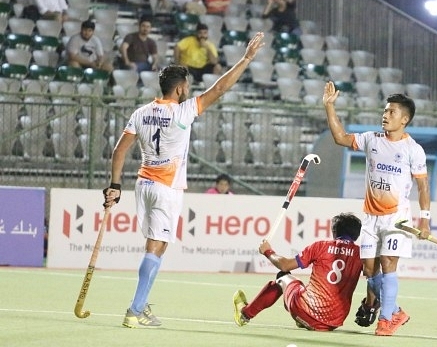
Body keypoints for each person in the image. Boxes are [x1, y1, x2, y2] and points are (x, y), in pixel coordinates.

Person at [102, 31, 265, 328]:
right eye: (187, 86)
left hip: (143, 184)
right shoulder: (182, 111)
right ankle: (134, 310)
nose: (189, 90)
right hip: (166, 189)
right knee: (156, 246)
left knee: (158, 246)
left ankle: (141, 305)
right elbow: (219, 89)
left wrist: (114, 185)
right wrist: (246, 59)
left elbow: (118, 150)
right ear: (179, 89)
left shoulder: (141, 112)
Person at [322, 81, 431, 336]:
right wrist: (329, 106)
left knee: (388, 263)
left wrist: (424, 220)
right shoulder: (371, 140)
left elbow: (423, 187)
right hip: (371, 218)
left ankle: (385, 320)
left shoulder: (413, 150)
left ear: (404, 119)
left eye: (391, 112)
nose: (385, 115)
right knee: (370, 271)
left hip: (397, 219)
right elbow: (340, 138)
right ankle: (396, 311)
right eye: (384, 111)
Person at [233, 212, 363, 331]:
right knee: (299, 285)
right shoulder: (362, 255)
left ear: (334, 231)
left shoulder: (320, 246)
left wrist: (268, 251)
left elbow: (285, 265)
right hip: (332, 322)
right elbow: (374, 281)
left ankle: (245, 314)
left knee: (283, 276)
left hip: (304, 310)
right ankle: (302, 321)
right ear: (357, 234)